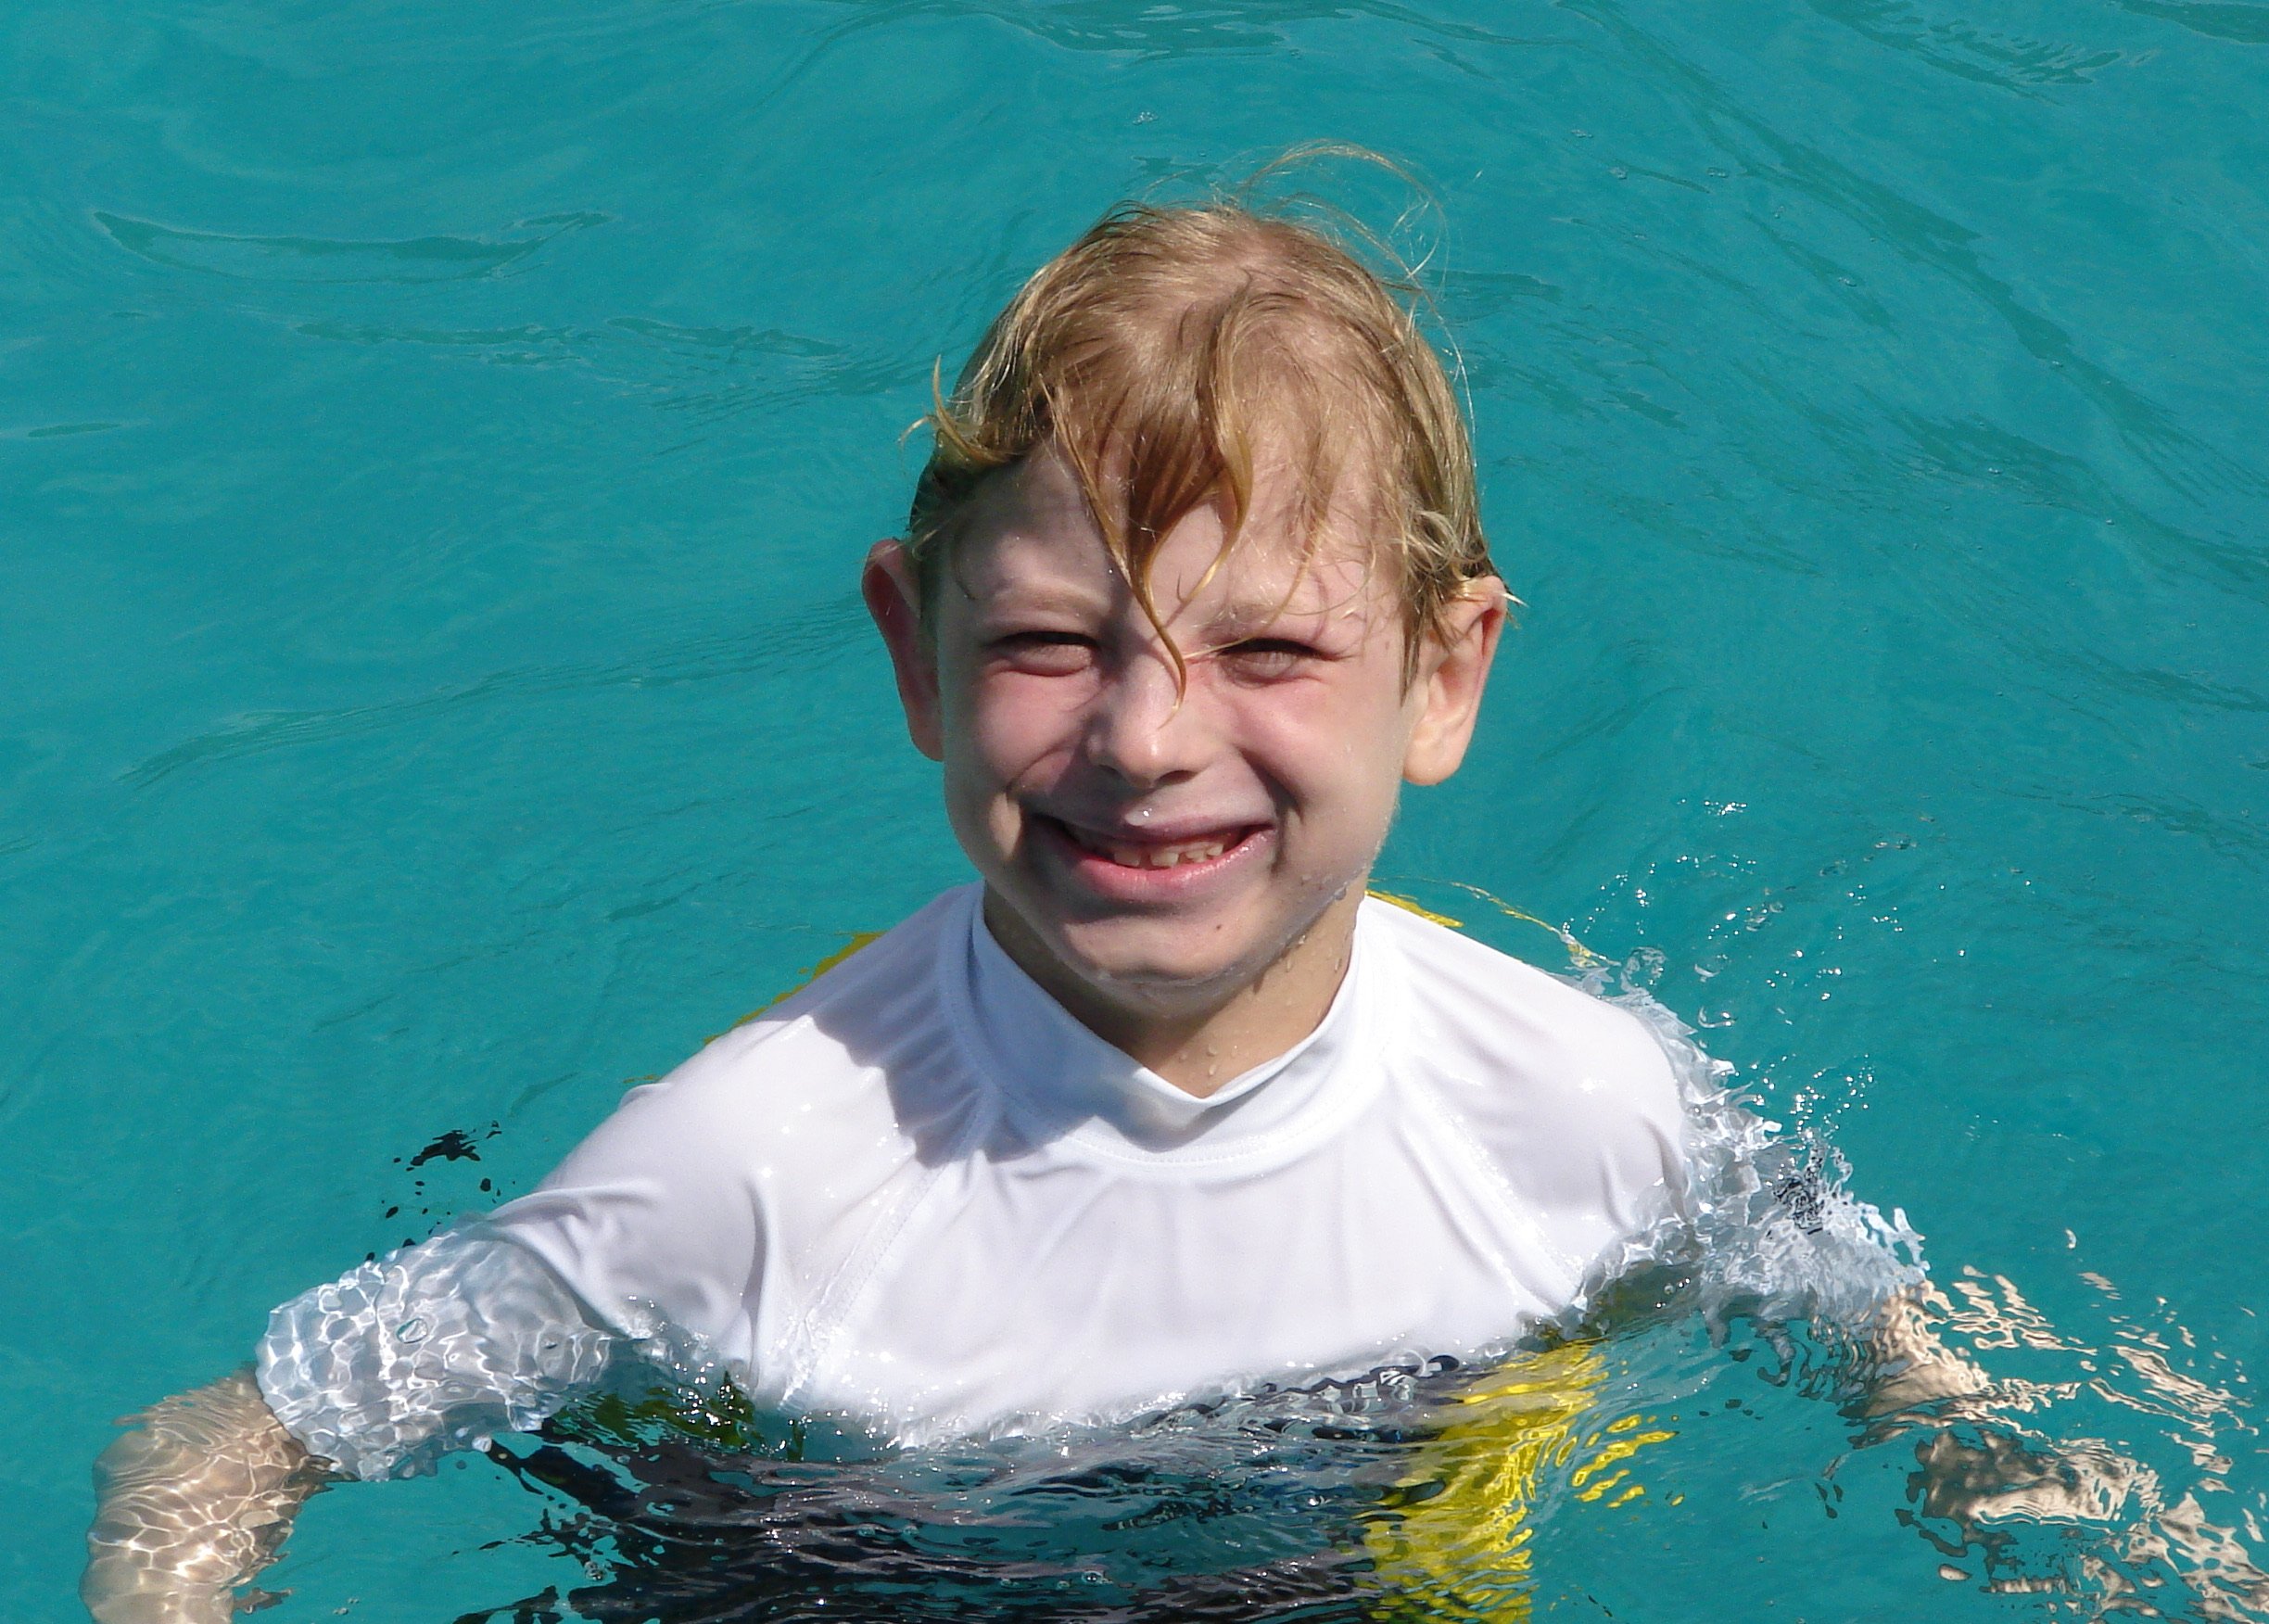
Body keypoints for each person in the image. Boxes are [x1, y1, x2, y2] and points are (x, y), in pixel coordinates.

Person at [83, 190, 1950, 1624]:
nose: (1149, 739)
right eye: (1052, 644)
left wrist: (1992, 1462)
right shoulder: (747, 1175)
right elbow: (227, 1443)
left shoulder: (1584, 1106)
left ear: (1447, 680)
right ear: (917, 655)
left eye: (1273, 649)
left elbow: (1831, 1286)